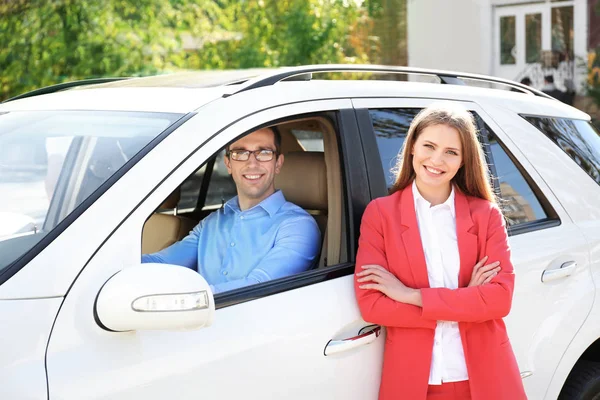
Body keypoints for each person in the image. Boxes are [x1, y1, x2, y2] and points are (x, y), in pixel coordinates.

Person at [354, 104, 526, 400]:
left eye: (451, 152)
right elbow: (374, 305)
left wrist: (411, 295)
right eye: (429, 146)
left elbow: (499, 299)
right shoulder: (380, 214)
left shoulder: (486, 215)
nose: (436, 159)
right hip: (414, 380)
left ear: (463, 161)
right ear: (411, 148)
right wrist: (467, 301)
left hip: (485, 377)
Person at [143, 127, 321, 294]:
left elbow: (258, 287)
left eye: (264, 152)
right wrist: (118, 263)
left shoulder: (298, 226)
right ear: (228, 164)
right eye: (240, 153)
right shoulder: (212, 222)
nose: (252, 163)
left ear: (278, 164)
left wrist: (183, 300)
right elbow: (161, 262)